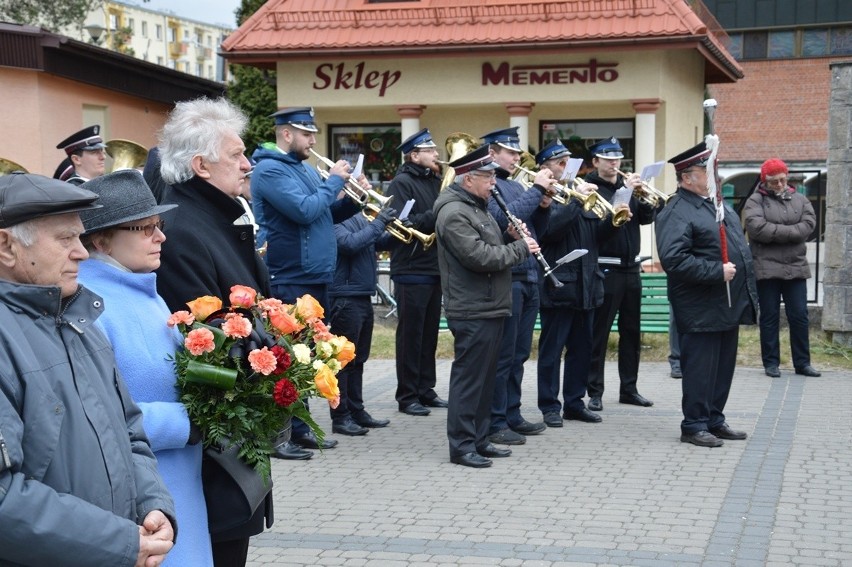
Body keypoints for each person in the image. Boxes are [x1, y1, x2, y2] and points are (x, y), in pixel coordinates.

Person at [0, 172, 176, 566]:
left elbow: (130, 434)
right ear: (6, 246)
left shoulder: (79, 322)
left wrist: (153, 505)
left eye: (79, 238)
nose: (81, 252)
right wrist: (117, 541)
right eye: (65, 239)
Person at [154, 97, 273, 567]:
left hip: (230, 443)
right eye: (237, 155)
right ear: (201, 165)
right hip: (214, 449)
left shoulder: (218, 213)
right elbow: (205, 342)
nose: (248, 164)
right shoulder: (181, 228)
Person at [77, 169, 213, 566]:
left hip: (175, 487)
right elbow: (95, 415)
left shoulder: (138, 286)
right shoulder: (94, 305)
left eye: (160, 225)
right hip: (142, 503)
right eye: (144, 228)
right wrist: (188, 422)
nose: (161, 236)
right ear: (101, 241)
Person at [250, 106, 362, 456]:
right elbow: (304, 210)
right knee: (285, 357)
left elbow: (325, 214)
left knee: (308, 357)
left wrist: (354, 198)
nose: (313, 140)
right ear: (286, 134)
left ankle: (301, 429)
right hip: (291, 275)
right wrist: (334, 182)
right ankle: (280, 435)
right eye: (306, 133)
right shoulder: (269, 170)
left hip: (314, 275)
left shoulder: (303, 169)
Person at [434, 145, 539, 468]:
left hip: (490, 305)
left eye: (494, 175)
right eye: (488, 176)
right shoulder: (454, 213)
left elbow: (491, 247)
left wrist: (509, 237)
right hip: (471, 307)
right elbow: (479, 257)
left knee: (485, 379)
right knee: (469, 381)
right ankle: (462, 446)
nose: (494, 182)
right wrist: (521, 248)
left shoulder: (476, 206)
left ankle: (480, 439)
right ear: (468, 179)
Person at [655, 140, 758, 448]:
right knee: (701, 368)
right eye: (707, 168)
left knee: (723, 366)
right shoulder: (677, 210)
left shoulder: (714, 204)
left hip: (725, 302)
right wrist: (716, 271)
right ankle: (694, 424)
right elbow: (674, 259)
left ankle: (714, 418)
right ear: (688, 177)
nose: (714, 173)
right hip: (700, 306)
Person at [536, 146, 631, 428]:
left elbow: (595, 238)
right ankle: (550, 406)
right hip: (559, 285)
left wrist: (615, 222)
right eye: (560, 162)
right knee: (552, 351)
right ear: (545, 167)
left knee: (582, 348)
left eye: (569, 162)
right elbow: (550, 230)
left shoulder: (582, 195)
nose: (567, 167)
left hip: (588, 283)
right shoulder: (544, 196)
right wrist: (577, 202)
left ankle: (574, 403)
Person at [483, 127, 552, 446]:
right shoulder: (493, 185)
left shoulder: (516, 184)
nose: (516, 157)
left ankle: (512, 413)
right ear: (493, 153)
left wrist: (545, 204)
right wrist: (536, 191)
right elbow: (501, 219)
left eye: (516, 153)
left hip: (529, 276)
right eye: (510, 152)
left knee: (520, 353)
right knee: (505, 353)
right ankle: (496, 420)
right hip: (509, 277)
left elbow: (537, 230)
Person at [585, 137, 657, 411]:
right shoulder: (591, 189)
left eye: (617, 158)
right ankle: (594, 390)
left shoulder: (625, 186)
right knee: (599, 333)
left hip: (631, 268)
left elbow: (646, 219)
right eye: (608, 158)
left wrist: (645, 196)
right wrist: (626, 192)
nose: (614, 162)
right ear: (596, 162)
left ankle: (629, 388)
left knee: (631, 332)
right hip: (606, 268)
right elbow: (603, 227)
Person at [384, 128, 447, 417]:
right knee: (411, 335)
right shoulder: (401, 182)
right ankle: (407, 394)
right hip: (411, 267)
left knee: (429, 333)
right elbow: (401, 225)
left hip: (434, 267)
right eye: (430, 150)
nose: (436, 154)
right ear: (414, 155)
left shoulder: (436, 181)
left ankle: (426, 388)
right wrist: (437, 211)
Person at [743, 158, 820, 378]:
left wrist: (777, 233)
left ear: (787, 177)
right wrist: (791, 233)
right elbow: (757, 229)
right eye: (774, 181)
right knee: (769, 316)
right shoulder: (754, 201)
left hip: (795, 267)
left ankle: (803, 363)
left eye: (782, 180)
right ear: (764, 181)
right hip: (766, 269)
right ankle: (771, 363)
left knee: (799, 316)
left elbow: (809, 225)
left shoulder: (800, 199)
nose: (779, 184)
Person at [328, 207, 396, 435]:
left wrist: (396, 231)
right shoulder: (334, 215)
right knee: (343, 361)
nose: (365, 185)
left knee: (358, 359)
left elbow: (372, 242)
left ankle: (357, 410)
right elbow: (349, 244)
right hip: (345, 295)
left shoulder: (358, 216)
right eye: (359, 180)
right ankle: (340, 417)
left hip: (361, 293)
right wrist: (379, 223)